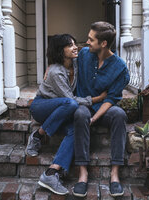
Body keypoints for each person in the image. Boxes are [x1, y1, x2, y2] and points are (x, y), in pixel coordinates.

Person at [25, 34, 107, 195]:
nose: (74, 47)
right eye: (69, 45)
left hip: (61, 110)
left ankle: (52, 172)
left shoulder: (75, 63)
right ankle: (38, 135)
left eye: (75, 43)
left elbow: (89, 52)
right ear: (60, 51)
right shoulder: (56, 72)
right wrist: (98, 99)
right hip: (42, 106)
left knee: (76, 129)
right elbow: (70, 99)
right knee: (71, 103)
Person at [72, 22, 130, 197]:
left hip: (103, 109)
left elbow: (112, 98)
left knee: (119, 114)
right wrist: (51, 68)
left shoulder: (120, 67)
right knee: (80, 113)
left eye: (91, 39)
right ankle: (83, 173)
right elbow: (66, 61)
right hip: (83, 104)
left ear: (103, 43)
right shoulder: (83, 54)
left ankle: (114, 174)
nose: (87, 42)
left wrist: (95, 117)